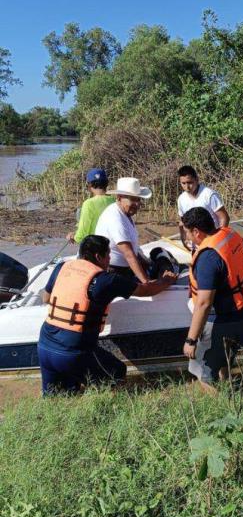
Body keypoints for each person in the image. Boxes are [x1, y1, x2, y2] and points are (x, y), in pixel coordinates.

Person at [38, 235, 176, 395]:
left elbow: (46, 297)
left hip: (45, 346)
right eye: (108, 255)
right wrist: (166, 280)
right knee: (116, 372)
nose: (110, 260)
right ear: (98, 256)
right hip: (74, 351)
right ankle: (109, 408)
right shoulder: (107, 280)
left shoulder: (62, 267)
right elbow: (145, 290)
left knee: (59, 397)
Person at [181, 207, 243, 393]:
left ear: (197, 231)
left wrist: (191, 340)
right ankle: (231, 389)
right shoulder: (229, 233)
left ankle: (220, 409)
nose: (188, 238)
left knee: (203, 372)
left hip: (223, 320)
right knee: (224, 359)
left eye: (188, 233)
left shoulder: (207, 259)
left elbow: (204, 304)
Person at [94, 177, 153, 283]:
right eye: (133, 199)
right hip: (113, 271)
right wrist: (146, 282)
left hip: (124, 269)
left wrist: (148, 263)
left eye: (138, 199)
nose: (137, 204)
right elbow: (128, 254)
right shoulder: (115, 217)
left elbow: (134, 250)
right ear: (119, 197)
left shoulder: (125, 214)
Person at [176, 165, 229, 251]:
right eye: (183, 183)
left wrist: (219, 239)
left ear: (197, 179)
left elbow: (224, 217)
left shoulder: (209, 195)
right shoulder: (181, 199)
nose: (187, 187)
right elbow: (182, 222)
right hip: (196, 243)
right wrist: (183, 239)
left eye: (190, 182)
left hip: (212, 241)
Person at [67, 168, 114, 244]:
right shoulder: (114, 201)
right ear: (106, 183)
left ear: (89, 185)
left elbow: (82, 234)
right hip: (111, 243)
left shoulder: (88, 204)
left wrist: (73, 237)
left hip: (95, 246)